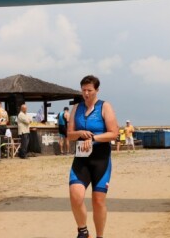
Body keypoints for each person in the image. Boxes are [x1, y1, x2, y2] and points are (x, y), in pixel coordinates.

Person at [67, 75, 119, 238]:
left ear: (97, 90)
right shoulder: (76, 108)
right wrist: (79, 133)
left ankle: (100, 236)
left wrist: (94, 138)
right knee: (76, 196)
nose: (86, 93)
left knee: (98, 201)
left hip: (101, 159)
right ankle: (83, 231)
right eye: (83, 90)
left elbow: (114, 133)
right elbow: (69, 135)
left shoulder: (105, 107)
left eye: (89, 90)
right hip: (81, 158)